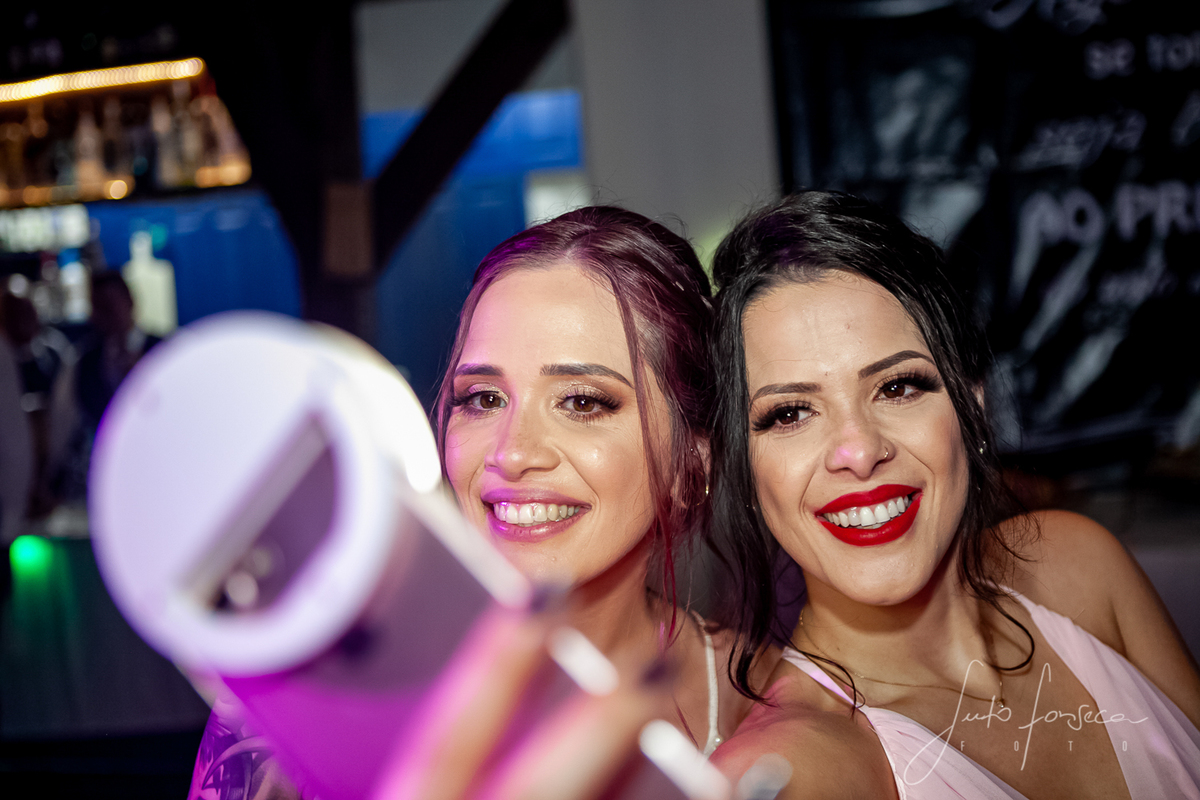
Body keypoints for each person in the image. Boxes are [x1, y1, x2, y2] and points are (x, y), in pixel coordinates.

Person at [190, 207, 759, 799]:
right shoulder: (289, 719)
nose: (512, 453)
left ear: (694, 461)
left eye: (582, 402)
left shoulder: (772, 705)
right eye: (483, 398)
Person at [706, 191, 1200, 799]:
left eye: (897, 386)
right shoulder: (785, 773)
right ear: (741, 464)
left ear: (972, 403)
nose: (859, 450)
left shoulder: (1080, 570)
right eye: (790, 413)